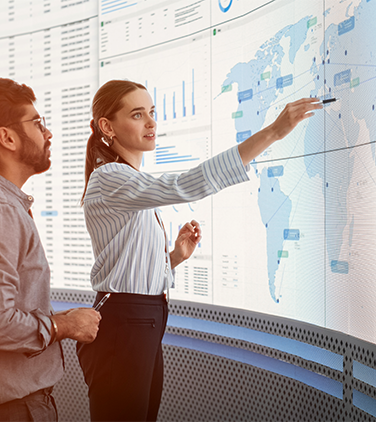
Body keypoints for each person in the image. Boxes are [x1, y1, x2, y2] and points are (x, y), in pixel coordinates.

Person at [76, 79, 321, 421]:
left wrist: (173, 257)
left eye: (152, 113)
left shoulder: (128, 180)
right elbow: (185, 184)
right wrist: (273, 133)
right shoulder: (111, 177)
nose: (151, 122)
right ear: (107, 126)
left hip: (141, 319)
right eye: (136, 114)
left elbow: (126, 263)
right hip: (125, 322)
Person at [0, 78, 102, 422]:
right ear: (6, 137)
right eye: (37, 123)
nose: (48, 133)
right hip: (7, 413)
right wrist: (64, 327)